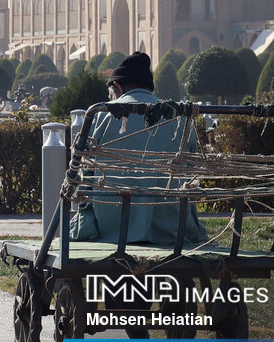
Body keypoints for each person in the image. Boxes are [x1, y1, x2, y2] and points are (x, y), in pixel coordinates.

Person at [69, 51, 207, 246]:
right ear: (149, 88)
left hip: (111, 234)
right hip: (172, 233)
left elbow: (86, 182)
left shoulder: (101, 115)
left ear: (117, 87)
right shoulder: (181, 119)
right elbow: (191, 178)